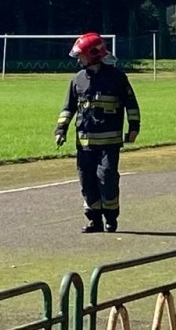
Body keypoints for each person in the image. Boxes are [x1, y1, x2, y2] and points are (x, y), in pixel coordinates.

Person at [55, 33, 140, 233]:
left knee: (107, 178)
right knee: (87, 181)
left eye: (81, 55)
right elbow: (68, 108)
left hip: (109, 142)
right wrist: (61, 130)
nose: (78, 59)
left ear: (94, 55)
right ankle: (94, 220)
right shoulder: (78, 80)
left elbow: (131, 104)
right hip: (84, 143)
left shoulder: (117, 78)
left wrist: (134, 126)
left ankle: (111, 218)